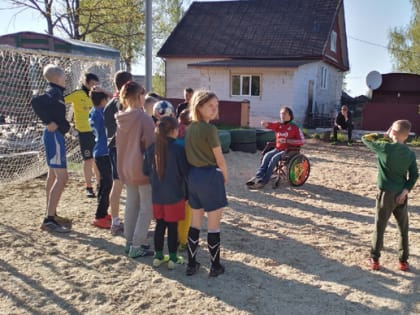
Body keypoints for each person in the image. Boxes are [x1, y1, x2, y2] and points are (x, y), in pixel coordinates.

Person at [362, 120, 418, 271]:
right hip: (401, 194)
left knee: (380, 226)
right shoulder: (410, 154)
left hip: (386, 194)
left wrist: (383, 136)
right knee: (403, 229)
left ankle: (374, 259)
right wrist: (405, 191)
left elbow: (365, 138)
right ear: (406, 136)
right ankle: (403, 261)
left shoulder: (384, 147)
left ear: (392, 132)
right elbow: (414, 176)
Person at [185, 89, 228, 277]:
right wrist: (224, 176)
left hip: (193, 177)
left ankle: (191, 264)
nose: (214, 109)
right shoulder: (210, 129)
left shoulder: (190, 128)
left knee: (195, 222)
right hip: (210, 176)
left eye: (216, 106)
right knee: (213, 225)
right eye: (210, 106)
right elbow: (219, 158)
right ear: (199, 106)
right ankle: (215, 266)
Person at [116, 81, 155, 258]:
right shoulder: (143, 118)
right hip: (143, 168)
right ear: (139, 96)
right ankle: (138, 243)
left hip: (126, 167)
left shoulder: (121, 118)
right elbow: (151, 145)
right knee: (146, 207)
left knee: (131, 205)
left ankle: (129, 241)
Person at [143, 116, 189, 269]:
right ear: (174, 131)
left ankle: (158, 256)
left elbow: (145, 170)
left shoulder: (152, 148)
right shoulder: (178, 149)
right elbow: (185, 171)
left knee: (160, 226)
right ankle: (173, 258)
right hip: (175, 194)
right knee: (173, 227)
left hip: (157, 195)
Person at [31, 64, 71, 233]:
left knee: (53, 175)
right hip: (53, 137)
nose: (65, 79)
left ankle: (51, 213)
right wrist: (49, 122)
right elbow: (36, 102)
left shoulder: (58, 93)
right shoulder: (53, 92)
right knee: (62, 178)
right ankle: (48, 219)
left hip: (55, 136)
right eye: (63, 76)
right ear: (56, 79)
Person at [246, 106, 304, 189]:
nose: (282, 115)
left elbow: (301, 141)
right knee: (267, 156)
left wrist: (287, 141)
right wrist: (265, 124)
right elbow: (271, 125)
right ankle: (258, 176)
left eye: (284, 113)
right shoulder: (279, 125)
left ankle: (264, 181)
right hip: (278, 149)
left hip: (290, 150)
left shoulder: (295, 127)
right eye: (281, 113)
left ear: (290, 115)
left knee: (274, 158)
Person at [104, 70, 132, 235]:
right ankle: (122, 222)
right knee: (127, 185)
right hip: (122, 147)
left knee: (117, 184)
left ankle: (115, 221)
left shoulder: (109, 103)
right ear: (128, 83)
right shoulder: (122, 103)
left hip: (114, 147)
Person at [64, 73, 100, 198]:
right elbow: (61, 100)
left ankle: (99, 184)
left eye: (96, 84)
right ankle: (89, 187)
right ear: (86, 82)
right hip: (84, 132)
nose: (94, 87)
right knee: (88, 159)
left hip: (96, 131)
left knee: (97, 159)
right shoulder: (77, 94)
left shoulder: (96, 96)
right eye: (92, 84)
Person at [88, 89, 113, 229]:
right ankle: (99, 216)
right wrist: (105, 91)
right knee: (107, 183)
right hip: (103, 152)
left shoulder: (93, 111)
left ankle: (102, 213)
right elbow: (115, 99)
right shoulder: (102, 113)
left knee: (104, 183)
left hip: (99, 151)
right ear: (103, 100)